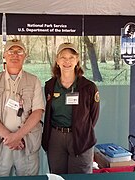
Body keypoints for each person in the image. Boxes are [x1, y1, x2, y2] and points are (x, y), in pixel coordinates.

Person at [0, 39, 45, 177]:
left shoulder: (34, 81)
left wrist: (18, 136)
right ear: (4, 55)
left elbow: (37, 112)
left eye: (19, 51)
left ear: (25, 56)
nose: (15, 54)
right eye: (11, 51)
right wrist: (9, 137)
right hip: (0, 143)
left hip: (26, 143)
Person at [42, 42, 100, 174]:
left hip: (80, 137)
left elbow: (93, 115)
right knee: (57, 175)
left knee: (80, 175)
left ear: (77, 61)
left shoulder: (89, 87)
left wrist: (81, 129)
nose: (67, 61)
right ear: (57, 60)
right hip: (56, 137)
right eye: (63, 57)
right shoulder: (50, 86)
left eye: (71, 57)